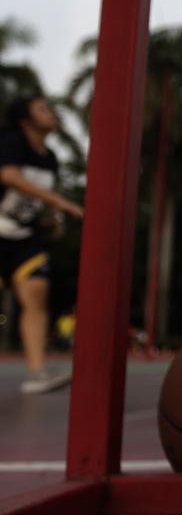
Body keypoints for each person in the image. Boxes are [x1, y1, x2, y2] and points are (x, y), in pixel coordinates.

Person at [1, 95, 83, 394]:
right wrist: (60, 202)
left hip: (23, 237)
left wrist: (53, 214)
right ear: (25, 119)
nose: (51, 113)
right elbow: (9, 176)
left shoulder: (49, 157)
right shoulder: (11, 141)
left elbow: (41, 192)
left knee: (36, 295)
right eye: (42, 108)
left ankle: (37, 372)